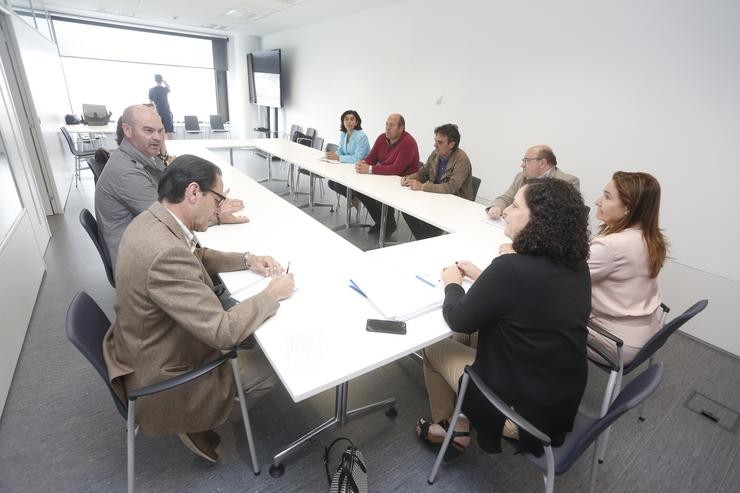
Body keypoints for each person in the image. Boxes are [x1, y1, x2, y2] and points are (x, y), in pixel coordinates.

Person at [102, 155, 295, 463]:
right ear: (193, 192)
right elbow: (223, 331)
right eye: (218, 199)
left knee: (247, 320)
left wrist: (247, 259)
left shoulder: (154, 219)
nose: (220, 209)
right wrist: (272, 294)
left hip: (141, 342)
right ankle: (193, 420)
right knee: (275, 364)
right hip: (163, 372)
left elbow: (196, 254)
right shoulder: (164, 252)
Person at [416, 179, 591, 457]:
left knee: (436, 345)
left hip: (519, 415)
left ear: (539, 221)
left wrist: (452, 284)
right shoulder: (577, 265)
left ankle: (448, 427)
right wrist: (485, 276)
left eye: (516, 206)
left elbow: (458, 318)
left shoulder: (511, 268)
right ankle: (460, 419)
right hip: (559, 402)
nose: (506, 211)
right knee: (473, 334)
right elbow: (528, 298)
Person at [96, 104, 247, 268]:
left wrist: (163, 154)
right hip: (138, 262)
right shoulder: (125, 173)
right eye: (148, 131)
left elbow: (166, 185)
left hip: (140, 246)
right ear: (127, 130)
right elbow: (169, 219)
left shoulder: (138, 158)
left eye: (160, 131)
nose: (157, 138)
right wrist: (215, 214)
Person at [588, 171, 667, 365]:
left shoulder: (612, 246)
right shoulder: (649, 236)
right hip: (646, 332)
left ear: (628, 208)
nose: (598, 201)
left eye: (607, 197)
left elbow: (561, 276)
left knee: (539, 312)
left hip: (616, 342)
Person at [401, 124, 473, 240]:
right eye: (435, 141)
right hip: (435, 199)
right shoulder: (435, 154)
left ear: (451, 144)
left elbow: (451, 187)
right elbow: (422, 173)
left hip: (456, 205)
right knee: (407, 210)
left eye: (440, 142)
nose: (435, 145)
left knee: (428, 222)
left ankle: (426, 242)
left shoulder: (461, 159)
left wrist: (423, 187)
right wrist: (409, 178)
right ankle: (424, 242)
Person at [354, 113, 420, 236]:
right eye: (386, 124)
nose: (387, 128)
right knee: (360, 191)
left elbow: (396, 169)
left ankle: (388, 224)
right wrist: (363, 163)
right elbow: (371, 158)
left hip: (403, 183)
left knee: (381, 193)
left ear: (401, 128)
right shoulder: (381, 138)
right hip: (385, 178)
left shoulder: (408, 142)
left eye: (392, 125)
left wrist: (369, 169)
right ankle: (381, 222)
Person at [486, 145, 579, 220]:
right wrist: (497, 207)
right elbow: (506, 197)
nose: (522, 165)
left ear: (542, 163)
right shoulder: (521, 176)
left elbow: (560, 218)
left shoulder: (567, 182)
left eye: (526, 160)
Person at [326, 109, 370, 211]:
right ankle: (354, 197)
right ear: (343, 122)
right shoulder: (344, 134)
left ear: (356, 122)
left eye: (352, 119)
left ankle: (355, 197)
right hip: (348, 167)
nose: (349, 122)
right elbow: (341, 150)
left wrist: (339, 158)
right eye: (346, 119)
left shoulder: (361, 136)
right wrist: (333, 155)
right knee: (331, 183)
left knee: (338, 185)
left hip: (360, 169)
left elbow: (357, 158)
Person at [148, 74, 174, 139]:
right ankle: (171, 147)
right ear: (161, 80)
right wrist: (164, 82)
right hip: (167, 112)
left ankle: (161, 148)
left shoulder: (151, 90)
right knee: (169, 132)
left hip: (158, 112)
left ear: (155, 80)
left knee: (159, 131)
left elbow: (151, 103)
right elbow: (170, 88)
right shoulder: (164, 89)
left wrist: (154, 111)